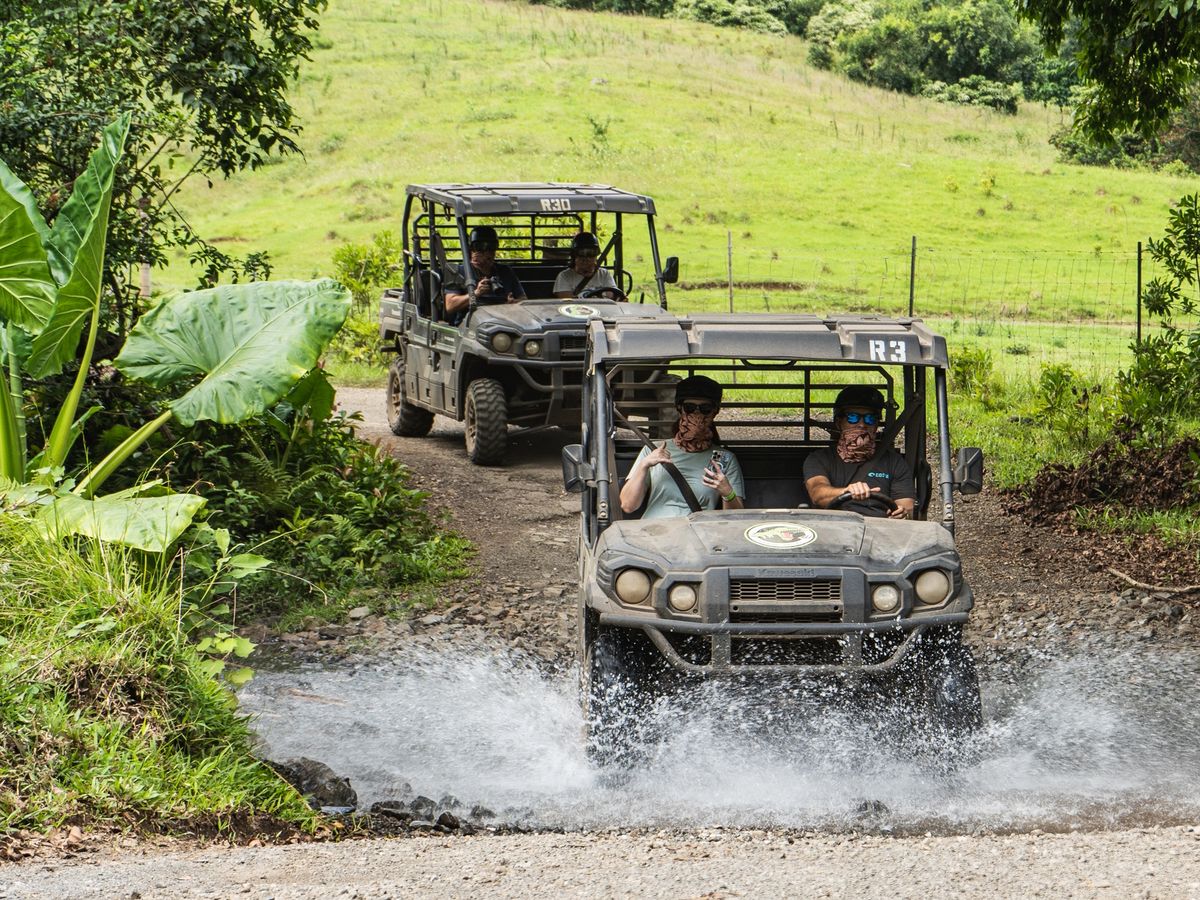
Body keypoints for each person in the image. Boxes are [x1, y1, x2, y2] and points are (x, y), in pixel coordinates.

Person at [619, 375, 745, 519]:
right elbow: (628, 505)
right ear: (680, 409)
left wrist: (728, 493)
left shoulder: (723, 459)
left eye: (705, 409)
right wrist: (644, 465)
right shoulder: (654, 450)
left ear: (714, 412)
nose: (697, 415)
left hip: (695, 536)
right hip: (653, 534)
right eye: (690, 408)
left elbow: (736, 518)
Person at [803, 386, 915, 519]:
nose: (862, 424)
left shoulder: (894, 462)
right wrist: (846, 491)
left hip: (881, 530)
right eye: (853, 417)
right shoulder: (819, 459)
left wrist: (902, 514)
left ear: (876, 425)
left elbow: (907, 506)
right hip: (834, 527)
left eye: (869, 419)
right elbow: (818, 493)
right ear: (839, 423)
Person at [444, 225, 525, 324]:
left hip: (504, 321)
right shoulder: (457, 271)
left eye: (491, 249)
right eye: (479, 249)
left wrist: (513, 304)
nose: (486, 254)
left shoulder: (505, 271)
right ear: (471, 249)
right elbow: (450, 305)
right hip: (471, 324)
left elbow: (523, 299)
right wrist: (476, 293)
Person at [553, 232, 620, 299]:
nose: (586, 259)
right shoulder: (564, 276)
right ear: (574, 256)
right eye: (581, 254)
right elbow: (567, 302)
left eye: (591, 254)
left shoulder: (604, 274)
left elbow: (612, 296)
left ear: (596, 256)